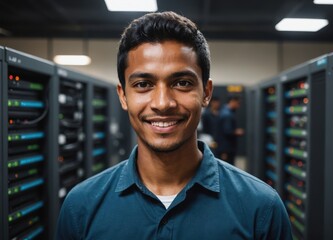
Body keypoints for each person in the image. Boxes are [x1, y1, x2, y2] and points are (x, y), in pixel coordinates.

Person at [56, 11, 292, 240]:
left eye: (181, 83)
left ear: (206, 93)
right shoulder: (81, 208)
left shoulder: (261, 209)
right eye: (143, 84)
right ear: (123, 96)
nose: (162, 103)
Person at [217, 95, 245, 165]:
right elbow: (227, 131)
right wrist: (237, 132)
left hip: (225, 148)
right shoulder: (227, 115)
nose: (238, 106)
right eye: (238, 103)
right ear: (232, 101)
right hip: (227, 149)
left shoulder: (224, 111)